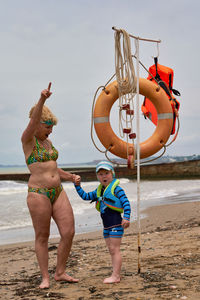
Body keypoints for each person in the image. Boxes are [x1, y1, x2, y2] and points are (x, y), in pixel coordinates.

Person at [21, 82, 79, 289]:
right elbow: (34, 120)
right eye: (47, 127)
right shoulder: (28, 140)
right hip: (38, 194)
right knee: (42, 236)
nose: (50, 131)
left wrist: (69, 176)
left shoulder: (48, 143)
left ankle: (60, 272)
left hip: (57, 191)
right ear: (36, 124)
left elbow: (53, 169)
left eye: (51, 127)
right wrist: (42, 99)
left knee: (69, 231)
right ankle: (45, 277)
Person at [74, 160, 131, 283]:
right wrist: (77, 186)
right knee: (111, 249)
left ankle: (116, 276)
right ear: (97, 177)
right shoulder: (99, 190)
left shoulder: (117, 190)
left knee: (115, 249)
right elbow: (85, 196)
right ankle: (115, 273)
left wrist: (126, 217)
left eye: (106, 173)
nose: (104, 176)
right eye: (100, 174)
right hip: (106, 226)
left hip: (116, 224)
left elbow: (126, 203)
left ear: (112, 174)